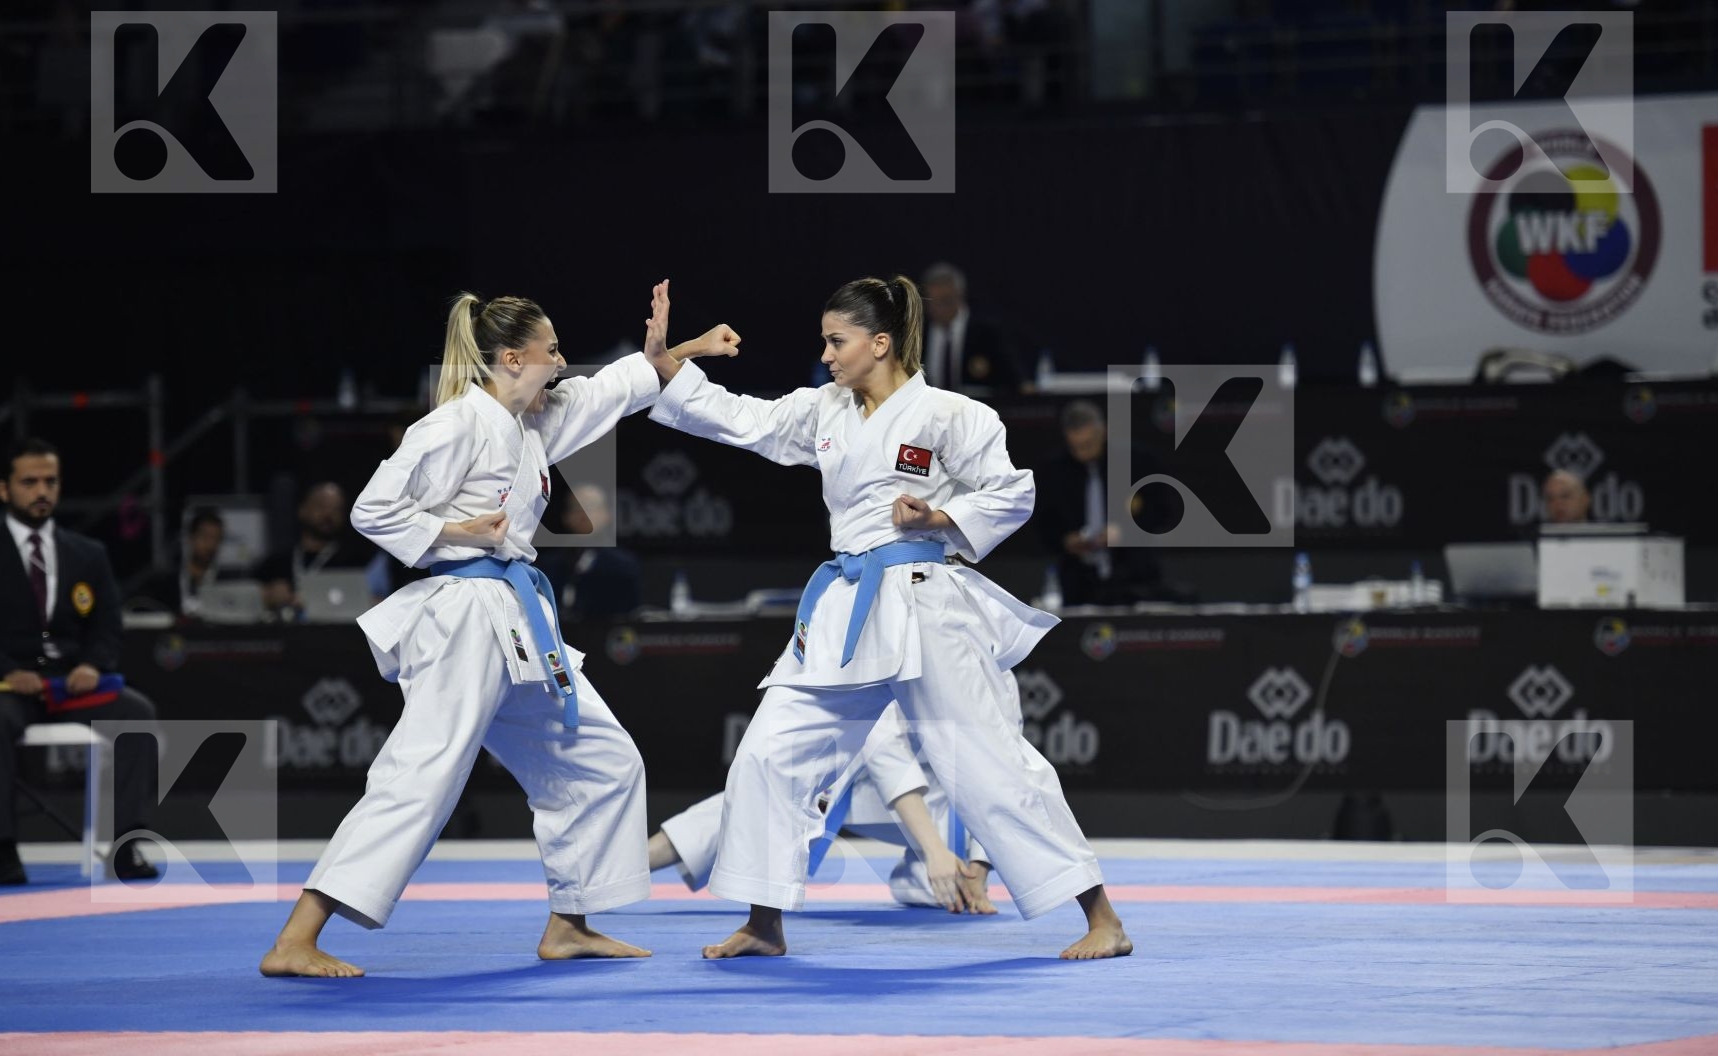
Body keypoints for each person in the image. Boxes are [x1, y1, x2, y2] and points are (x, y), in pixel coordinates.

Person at [646, 276, 1131, 961]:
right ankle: (765, 920)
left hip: (927, 598)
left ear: (880, 344)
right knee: (768, 753)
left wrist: (940, 516)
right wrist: (669, 367)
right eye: (824, 341)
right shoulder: (824, 411)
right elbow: (743, 419)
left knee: (990, 763)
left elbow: (1010, 492)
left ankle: (1102, 917)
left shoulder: (951, 416)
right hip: (847, 601)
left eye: (836, 341)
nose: (826, 354)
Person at [259, 287, 678, 977]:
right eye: (552, 351)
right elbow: (373, 509)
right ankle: (296, 936)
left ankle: (570, 923)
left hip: (513, 622)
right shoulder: (455, 424)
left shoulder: (528, 428)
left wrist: (671, 353)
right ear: (513, 358)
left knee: (600, 758)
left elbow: (607, 393)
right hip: (462, 617)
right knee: (423, 773)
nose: (562, 360)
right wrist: (453, 530)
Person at [0, 438, 159, 885]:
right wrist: (6, 671)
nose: (41, 491)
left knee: (137, 713)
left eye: (49, 481)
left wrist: (93, 664)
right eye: (29, 482)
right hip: (3, 685)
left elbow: (108, 624)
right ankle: (6, 851)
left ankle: (127, 847)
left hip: (71, 683)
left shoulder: (87, 553)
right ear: (3, 489)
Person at [651, 702, 998, 914]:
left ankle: (921, 871)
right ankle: (632, 861)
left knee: (947, 893)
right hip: (861, 774)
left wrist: (979, 871)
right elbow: (886, 751)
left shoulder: (998, 681)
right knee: (760, 798)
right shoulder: (902, 650)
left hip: (943, 802)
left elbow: (998, 773)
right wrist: (934, 850)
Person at [1034, 400, 1182, 607]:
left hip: (1135, 576)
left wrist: (1124, 532)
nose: (1083, 453)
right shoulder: (1053, 471)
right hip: (1078, 581)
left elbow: (1164, 511)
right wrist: (1066, 540)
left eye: (1088, 444)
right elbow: (1043, 522)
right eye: (1076, 447)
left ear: (1103, 431)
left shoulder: (1138, 462)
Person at [256, 482, 370, 620]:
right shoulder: (275, 564)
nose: (328, 514)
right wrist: (266, 596)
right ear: (302, 510)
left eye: (337, 509)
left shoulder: (356, 563)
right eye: (321, 506)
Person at [533, 483, 643, 618]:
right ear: (566, 517)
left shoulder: (624, 566)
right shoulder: (547, 566)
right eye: (576, 508)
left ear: (607, 514)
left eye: (591, 507)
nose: (583, 514)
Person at [920, 262, 1026, 396]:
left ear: (959, 296)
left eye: (945, 301)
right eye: (933, 302)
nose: (939, 308)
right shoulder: (918, 335)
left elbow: (1015, 379)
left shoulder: (987, 333)